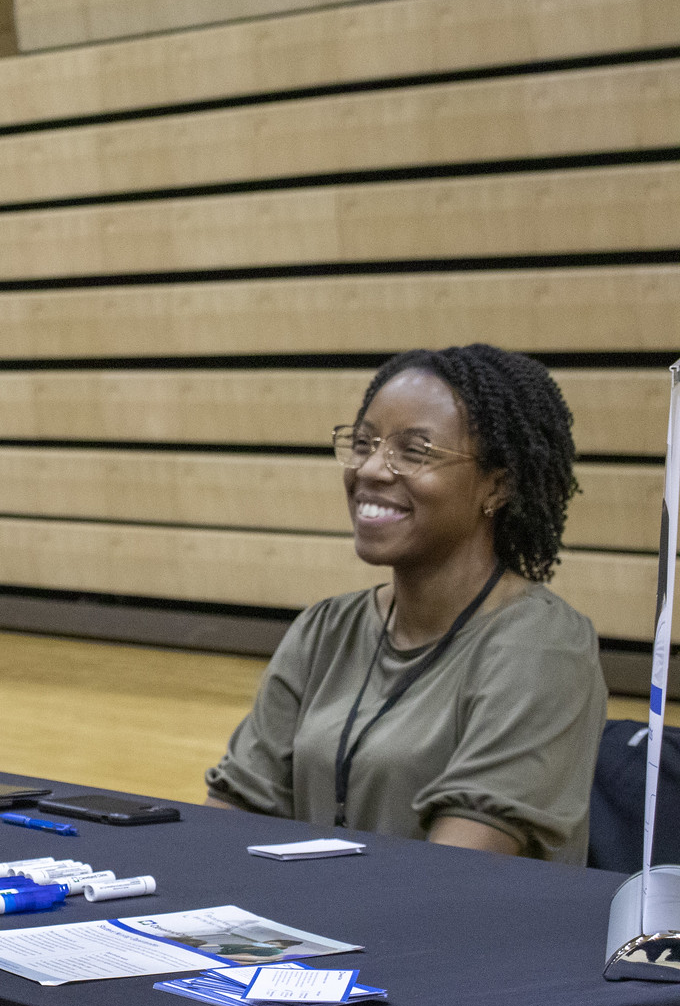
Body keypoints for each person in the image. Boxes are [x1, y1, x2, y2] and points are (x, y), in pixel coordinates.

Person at [206, 344, 607, 863]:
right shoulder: (325, 629)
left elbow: (452, 876)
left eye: (414, 452)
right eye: (364, 443)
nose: (371, 469)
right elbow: (224, 826)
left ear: (498, 486)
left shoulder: (543, 648)